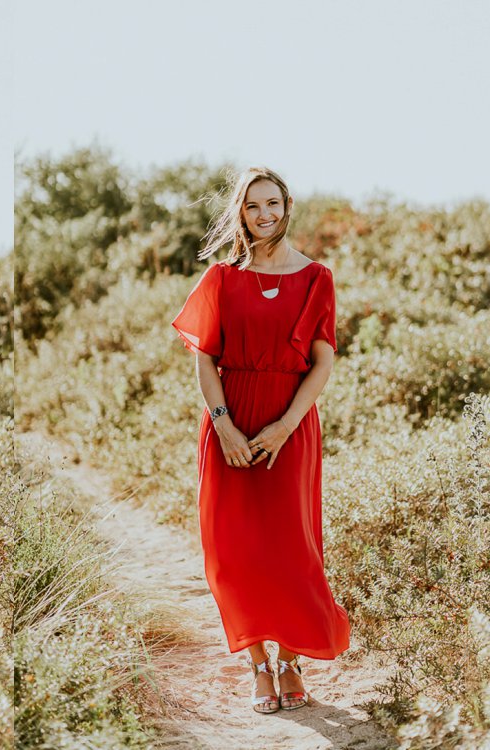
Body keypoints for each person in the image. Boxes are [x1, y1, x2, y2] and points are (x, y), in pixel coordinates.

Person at [170, 168, 350, 714]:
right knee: (234, 551)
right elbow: (204, 357)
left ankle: (291, 661)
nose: (264, 214)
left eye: (272, 203)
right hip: (229, 427)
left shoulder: (316, 277)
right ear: (241, 214)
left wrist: (284, 426)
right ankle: (257, 666)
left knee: (292, 547)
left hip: (289, 428)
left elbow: (323, 361)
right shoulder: (221, 278)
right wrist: (224, 425)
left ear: (286, 205)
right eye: (253, 207)